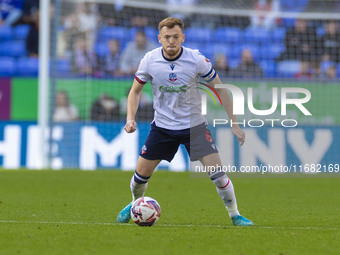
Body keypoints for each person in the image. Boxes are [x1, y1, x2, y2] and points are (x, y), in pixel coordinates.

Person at [116, 17, 253, 226]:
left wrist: (234, 123)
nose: (171, 41)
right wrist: (130, 119)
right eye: (167, 37)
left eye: (176, 37)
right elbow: (134, 92)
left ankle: (235, 215)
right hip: (162, 127)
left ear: (183, 37)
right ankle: (136, 204)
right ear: (159, 38)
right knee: (139, 178)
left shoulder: (196, 59)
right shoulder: (149, 60)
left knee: (218, 174)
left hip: (194, 127)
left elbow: (221, 90)